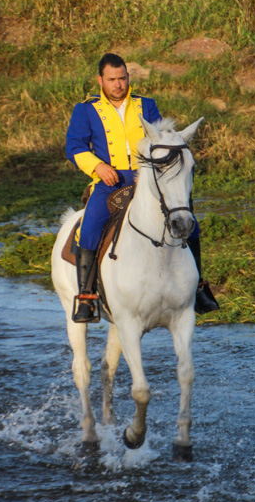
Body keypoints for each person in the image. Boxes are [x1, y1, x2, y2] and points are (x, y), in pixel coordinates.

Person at [65, 53, 219, 322]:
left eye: (122, 78)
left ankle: (198, 287)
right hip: (108, 181)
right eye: (112, 79)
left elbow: (160, 139)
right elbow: (75, 146)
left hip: (145, 178)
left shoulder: (146, 105)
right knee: (88, 227)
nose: (118, 84)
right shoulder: (86, 110)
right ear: (100, 80)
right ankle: (86, 296)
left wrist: (147, 171)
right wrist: (98, 167)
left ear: (128, 77)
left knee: (188, 220)